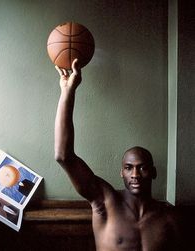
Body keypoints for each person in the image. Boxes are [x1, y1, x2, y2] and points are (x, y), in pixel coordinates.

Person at [54, 59, 182, 251]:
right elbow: (64, 156)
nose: (135, 175)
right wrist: (68, 91)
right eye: (129, 168)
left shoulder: (169, 217)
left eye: (142, 167)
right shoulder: (105, 202)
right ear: (121, 173)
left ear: (154, 172)